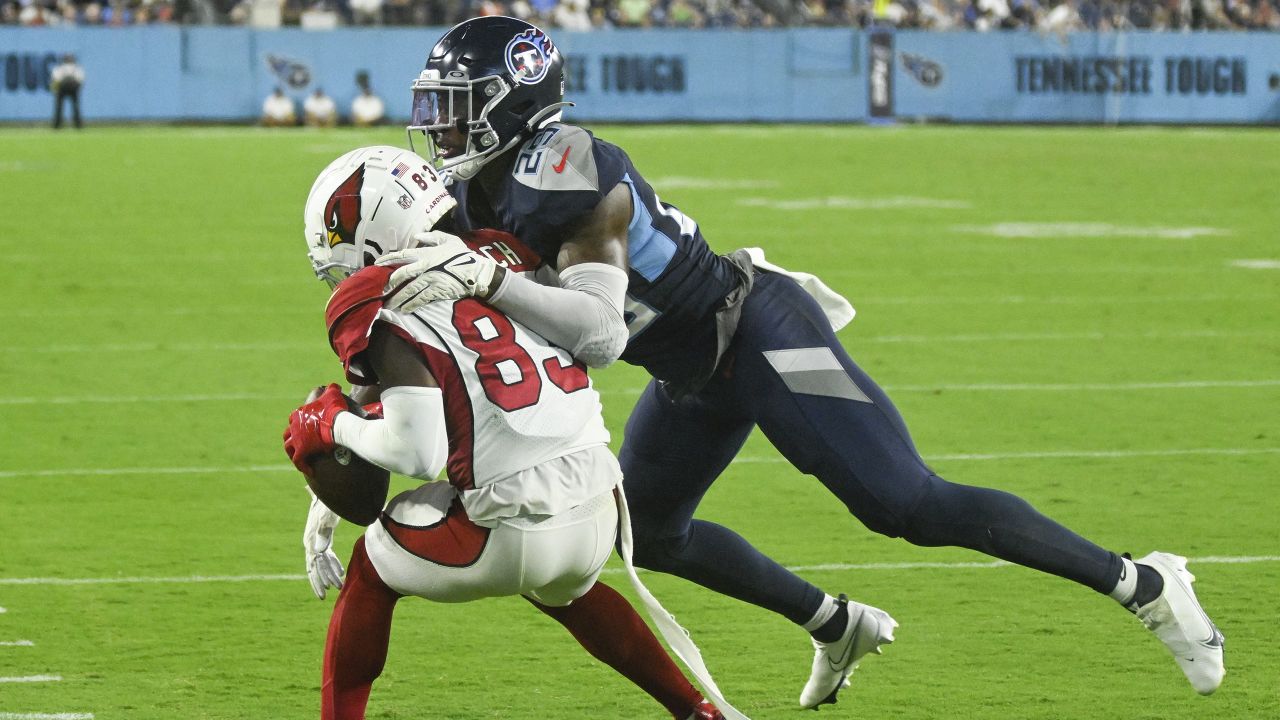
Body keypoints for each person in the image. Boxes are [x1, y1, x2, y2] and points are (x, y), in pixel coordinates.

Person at [378, 15, 1225, 708]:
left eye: (461, 105)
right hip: (690, 370)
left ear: (520, 101)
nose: (442, 124)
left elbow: (597, 333)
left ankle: (1144, 583)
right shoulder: (470, 193)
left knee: (907, 504)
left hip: (753, 327)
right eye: (438, 105)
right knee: (649, 533)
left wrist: (490, 280)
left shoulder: (569, 169)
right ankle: (834, 623)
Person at [284, 145, 741, 720]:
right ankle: (698, 710)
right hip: (600, 509)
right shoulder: (500, 255)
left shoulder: (375, 298)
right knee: (565, 590)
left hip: (509, 528)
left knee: (371, 569)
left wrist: (329, 425)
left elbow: (416, 448)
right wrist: (327, 483)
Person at [50, 54, 84, 130]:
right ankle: (78, 125)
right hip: (73, 89)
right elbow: (81, 80)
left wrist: (55, 89)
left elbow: (55, 80)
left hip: (61, 89)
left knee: (59, 108)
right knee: (75, 107)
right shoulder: (77, 68)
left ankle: (57, 125)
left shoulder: (59, 68)